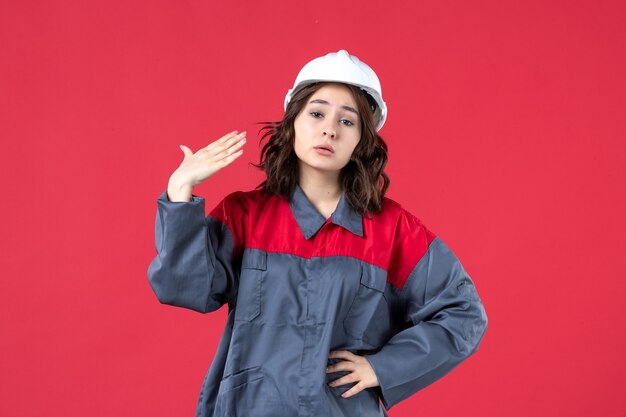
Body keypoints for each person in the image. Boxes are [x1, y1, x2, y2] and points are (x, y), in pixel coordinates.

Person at [147, 49, 488, 417]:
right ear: (292, 122)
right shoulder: (246, 214)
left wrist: (382, 368)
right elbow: (184, 288)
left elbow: (464, 314)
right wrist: (179, 192)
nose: (329, 129)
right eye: (316, 113)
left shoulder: (394, 231)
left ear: (363, 139)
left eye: (348, 121)